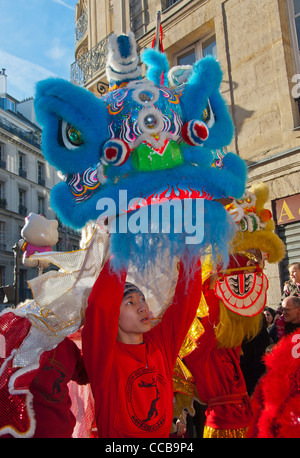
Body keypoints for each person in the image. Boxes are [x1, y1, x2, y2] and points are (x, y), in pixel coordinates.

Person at [82, 256, 202, 438]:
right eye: (130, 302)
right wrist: (122, 247)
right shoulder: (104, 358)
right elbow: (99, 306)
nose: (142, 307)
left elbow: (186, 304)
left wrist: (190, 253)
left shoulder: (160, 346)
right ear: (114, 314)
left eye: (142, 299)